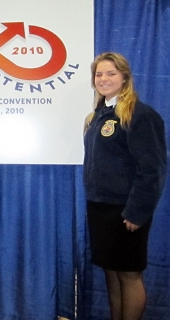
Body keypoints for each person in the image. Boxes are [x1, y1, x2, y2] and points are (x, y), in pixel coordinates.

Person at [83, 52, 167, 320]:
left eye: (111, 73)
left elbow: (152, 169)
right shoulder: (98, 114)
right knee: (111, 271)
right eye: (99, 74)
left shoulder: (140, 115)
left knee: (129, 275)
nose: (104, 79)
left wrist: (137, 211)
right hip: (101, 208)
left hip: (126, 210)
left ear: (125, 78)